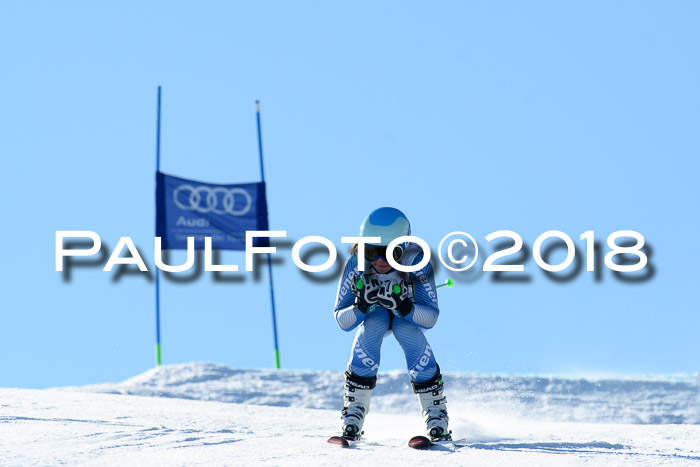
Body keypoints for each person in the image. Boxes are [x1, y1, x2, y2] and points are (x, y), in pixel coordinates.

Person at [333, 206, 451, 442]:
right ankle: (353, 413)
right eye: (371, 251)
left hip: (407, 316)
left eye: (389, 253)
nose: (379, 260)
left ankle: (436, 414)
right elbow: (341, 320)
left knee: (404, 329)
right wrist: (361, 307)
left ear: (404, 248)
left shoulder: (416, 260)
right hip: (374, 313)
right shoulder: (356, 263)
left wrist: (404, 306)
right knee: (374, 323)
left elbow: (430, 317)